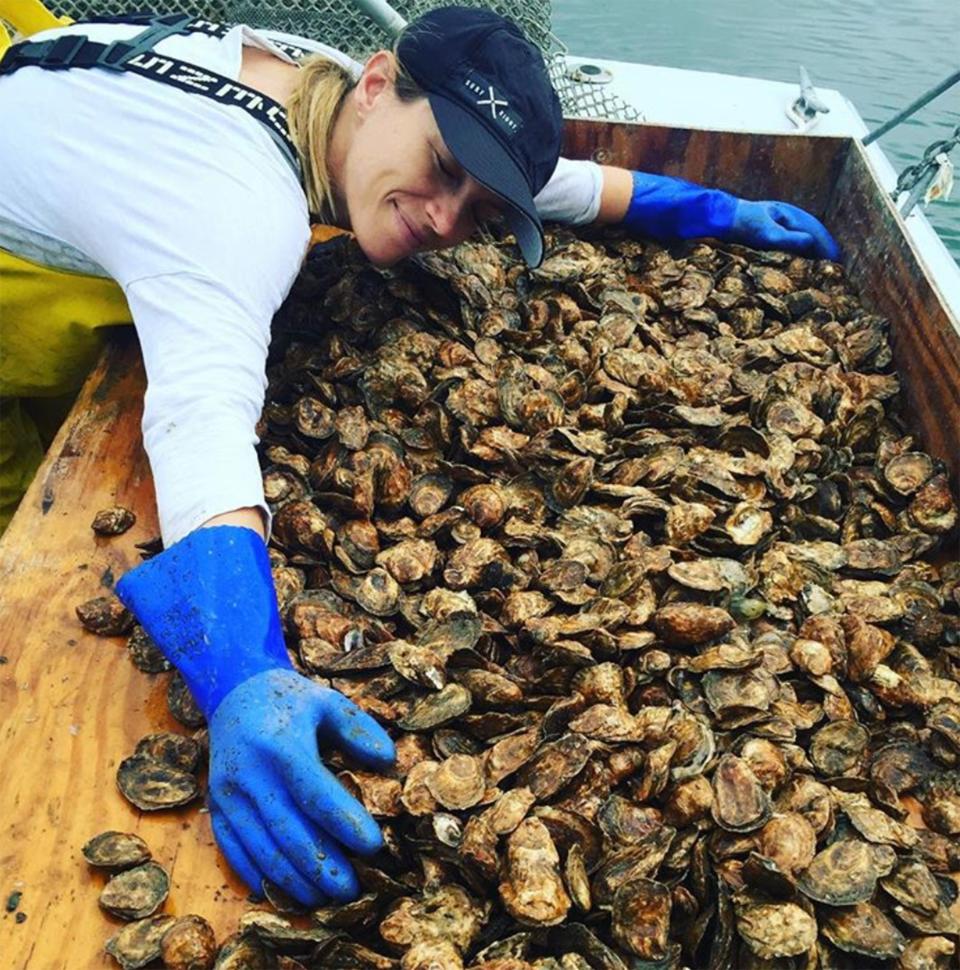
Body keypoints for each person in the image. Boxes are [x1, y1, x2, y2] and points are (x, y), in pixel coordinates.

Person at [0, 3, 839, 906]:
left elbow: (521, 178)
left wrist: (704, 208)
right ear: (374, 83)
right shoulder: (236, 209)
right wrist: (242, 669)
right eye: (446, 173)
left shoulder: (333, 99)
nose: (444, 220)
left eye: (478, 210)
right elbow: (201, 416)